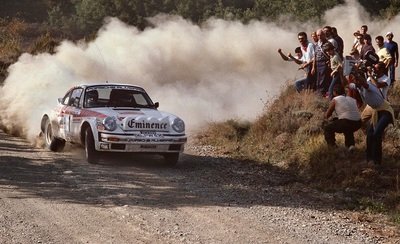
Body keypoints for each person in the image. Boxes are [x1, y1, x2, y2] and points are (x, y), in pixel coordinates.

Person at [351, 69, 395, 165]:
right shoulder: (359, 87)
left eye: (355, 79)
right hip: (376, 111)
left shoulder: (368, 86)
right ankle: (369, 159)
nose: (354, 80)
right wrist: (343, 71)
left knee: (376, 134)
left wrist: (357, 73)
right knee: (370, 134)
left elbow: (363, 82)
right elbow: (345, 85)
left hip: (385, 111)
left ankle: (377, 161)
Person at [324, 84, 361, 151]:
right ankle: (350, 146)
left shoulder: (335, 99)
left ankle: (332, 147)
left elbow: (327, 115)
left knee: (327, 128)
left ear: (334, 92)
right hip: (358, 122)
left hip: (347, 122)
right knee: (347, 127)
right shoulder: (352, 99)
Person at [312, 29, 331, 95]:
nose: (319, 37)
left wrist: (329, 62)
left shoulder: (328, 44)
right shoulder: (317, 44)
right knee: (318, 79)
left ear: (324, 35)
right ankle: (318, 92)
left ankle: (321, 93)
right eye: (318, 35)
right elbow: (315, 56)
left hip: (324, 63)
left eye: (321, 35)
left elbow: (332, 54)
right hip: (318, 63)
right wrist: (313, 67)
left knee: (323, 79)